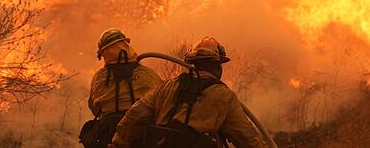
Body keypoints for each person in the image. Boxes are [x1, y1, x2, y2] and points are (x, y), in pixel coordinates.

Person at [109, 37, 265, 148]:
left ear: (192, 64)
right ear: (217, 66)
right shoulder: (224, 96)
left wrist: (118, 144)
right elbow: (248, 138)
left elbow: (135, 115)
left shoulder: (166, 87)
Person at [79, 28, 162, 148]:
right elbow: (161, 103)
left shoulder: (99, 77)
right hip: (141, 134)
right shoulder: (148, 74)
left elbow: (94, 107)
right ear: (126, 45)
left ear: (105, 52)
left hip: (109, 134)